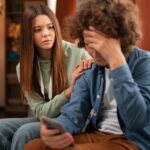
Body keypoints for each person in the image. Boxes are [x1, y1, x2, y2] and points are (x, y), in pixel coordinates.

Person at [25, 0, 150, 150]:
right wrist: (55, 129)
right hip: (98, 134)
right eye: (88, 44)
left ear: (120, 38)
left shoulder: (145, 63)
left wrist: (116, 59)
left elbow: (136, 120)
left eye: (100, 44)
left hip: (132, 140)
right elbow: (73, 116)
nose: (93, 52)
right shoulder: (91, 70)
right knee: (35, 146)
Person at [0, 4, 92, 150]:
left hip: (73, 118)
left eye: (50, 27)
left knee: (23, 133)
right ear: (29, 35)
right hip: (45, 117)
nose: (46, 34)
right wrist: (68, 93)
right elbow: (40, 111)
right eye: (37, 30)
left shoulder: (79, 54)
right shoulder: (23, 67)